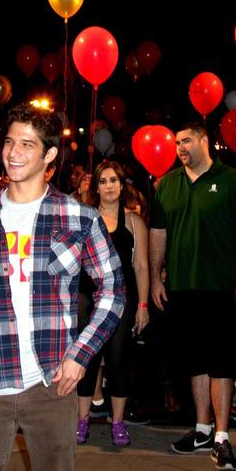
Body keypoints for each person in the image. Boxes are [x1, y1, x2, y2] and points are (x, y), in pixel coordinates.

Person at [0, 104, 125, 471]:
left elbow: (114, 291)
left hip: (51, 384)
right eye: (9, 141)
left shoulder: (79, 218)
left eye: (28, 144)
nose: (14, 152)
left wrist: (80, 355)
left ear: (50, 156)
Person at [150, 121, 236, 470]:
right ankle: (201, 430)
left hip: (222, 288)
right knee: (195, 361)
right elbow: (158, 234)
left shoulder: (233, 182)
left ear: (204, 141)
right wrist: (155, 277)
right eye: (176, 143)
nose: (180, 148)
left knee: (221, 363)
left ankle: (222, 438)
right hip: (182, 288)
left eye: (186, 141)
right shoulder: (166, 184)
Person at [76, 159, 149, 447]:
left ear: (122, 185)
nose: (109, 186)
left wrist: (143, 306)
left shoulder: (134, 220)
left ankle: (117, 422)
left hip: (121, 298)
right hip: (88, 298)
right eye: (103, 181)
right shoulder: (85, 217)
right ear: (95, 186)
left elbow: (142, 266)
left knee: (119, 359)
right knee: (87, 358)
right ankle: (82, 420)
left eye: (114, 181)